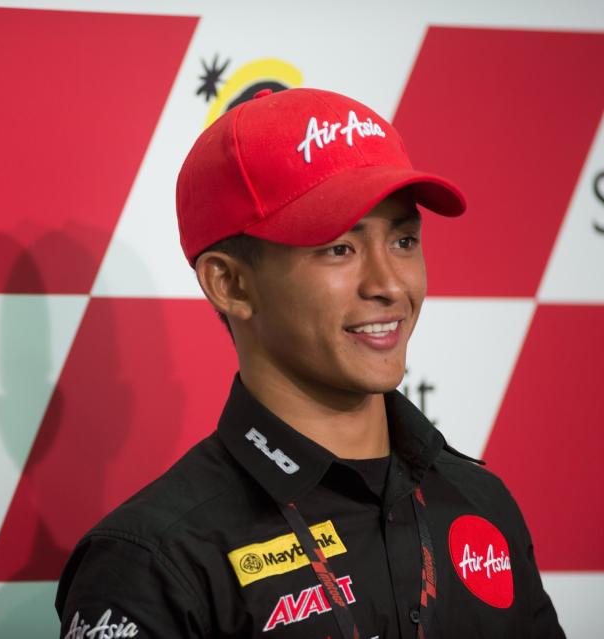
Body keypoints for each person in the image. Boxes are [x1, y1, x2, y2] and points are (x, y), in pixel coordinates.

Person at [55, 88, 563, 638]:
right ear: (230, 283)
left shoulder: (480, 500)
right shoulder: (154, 561)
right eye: (339, 248)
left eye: (404, 240)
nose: (390, 285)